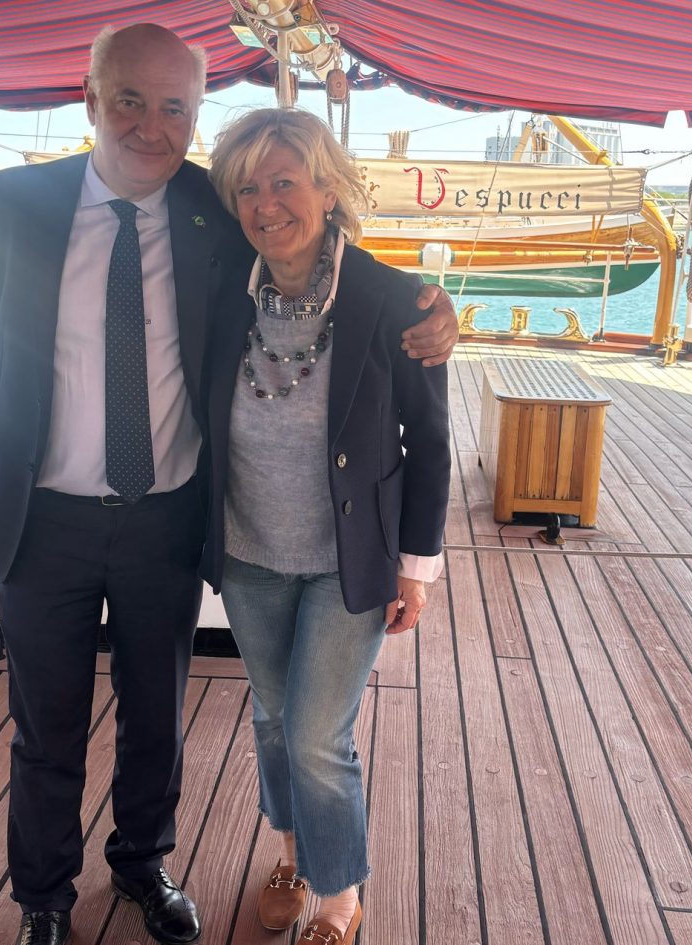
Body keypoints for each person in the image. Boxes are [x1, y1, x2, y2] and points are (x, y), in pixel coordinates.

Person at [0, 25, 458, 945]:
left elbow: (319, 249)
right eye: (130, 100)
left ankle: (143, 864)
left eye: (175, 107)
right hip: (41, 519)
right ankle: (44, 897)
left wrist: (438, 308)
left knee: (157, 718)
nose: (151, 125)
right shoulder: (10, 205)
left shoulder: (213, 209)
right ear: (91, 99)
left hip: (165, 517)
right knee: (45, 725)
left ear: (195, 116)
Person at [203, 108, 451, 945]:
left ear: (329, 190)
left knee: (315, 734)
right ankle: (292, 855)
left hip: (348, 561)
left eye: (285, 182)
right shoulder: (222, 289)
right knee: (275, 719)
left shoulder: (394, 299)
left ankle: (339, 891)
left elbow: (430, 440)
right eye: (248, 189)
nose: (266, 204)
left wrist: (416, 565)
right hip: (248, 553)